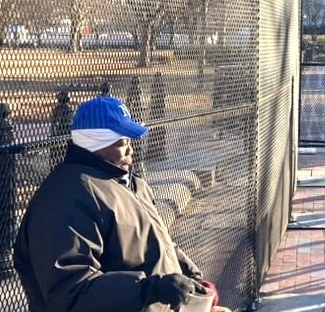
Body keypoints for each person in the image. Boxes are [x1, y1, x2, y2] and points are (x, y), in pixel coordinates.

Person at [13, 95, 223, 312]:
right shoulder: (65, 197)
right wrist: (150, 289)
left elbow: (159, 243)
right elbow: (71, 290)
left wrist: (193, 280)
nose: (131, 150)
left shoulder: (131, 184)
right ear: (96, 143)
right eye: (123, 143)